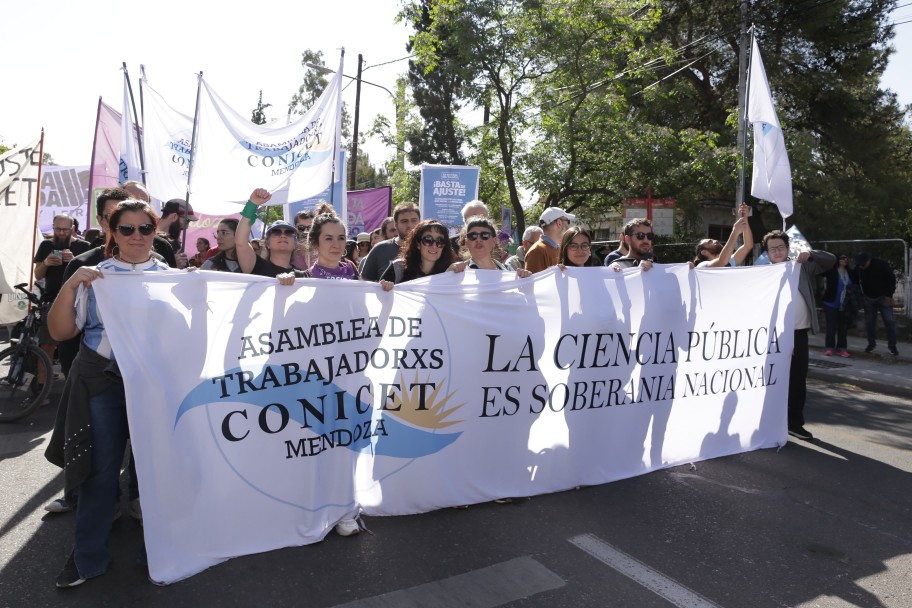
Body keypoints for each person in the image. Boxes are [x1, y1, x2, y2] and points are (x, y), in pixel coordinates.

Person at [45, 200, 174, 588]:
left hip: (155, 386)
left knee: (156, 474)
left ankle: (161, 555)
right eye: (127, 229)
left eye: (145, 229)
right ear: (112, 233)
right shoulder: (94, 276)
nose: (137, 236)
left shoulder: (175, 279)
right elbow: (60, 333)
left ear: (156, 232)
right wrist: (70, 284)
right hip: (103, 382)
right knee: (100, 474)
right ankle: (87, 557)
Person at [763, 230, 835, 441]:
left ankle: (794, 423)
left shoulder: (800, 266)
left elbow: (830, 261)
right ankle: (768, 421)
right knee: (772, 380)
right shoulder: (761, 272)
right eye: (772, 249)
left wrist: (809, 254)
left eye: (781, 247)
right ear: (766, 252)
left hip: (799, 334)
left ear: (788, 248)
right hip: (774, 337)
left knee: (797, 380)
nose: (777, 252)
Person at [33, 214, 91, 387]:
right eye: (58, 229)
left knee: (79, 348)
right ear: (53, 227)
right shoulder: (46, 245)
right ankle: (42, 388)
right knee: (47, 345)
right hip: (51, 301)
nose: (61, 233)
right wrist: (46, 263)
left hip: (78, 303)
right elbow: (37, 274)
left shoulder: (84, 246)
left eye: (65, 229)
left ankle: (76, 387)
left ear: (72, 229)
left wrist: (75, 261)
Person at [236, 189, 307, 278]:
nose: (283, 235)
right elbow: (241, 242)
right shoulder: (256, 266)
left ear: (295, 244)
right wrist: (253, 204)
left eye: (289, 232)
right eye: (276, 232)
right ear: (267, 244)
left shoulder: (303, 277)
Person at [293, 203, 360, 281]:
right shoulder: (301, 278)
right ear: (314, 242)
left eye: (341, 238)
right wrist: (284, 283)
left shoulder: (352, 271)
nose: (336, 245)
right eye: (329, 238)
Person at [449, 216, 532, 278]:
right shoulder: (457, 271)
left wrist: (525, 282)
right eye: (473, 236)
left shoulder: (508, 270)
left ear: (494, 241)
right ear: (466, 242)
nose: (478, 239)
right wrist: (450, 272)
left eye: (484, 235)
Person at [380, 219, 456, 284]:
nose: (434, 245)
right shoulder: (398, 268)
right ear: (418, 244)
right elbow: (378, 294)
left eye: (440, 241)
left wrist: (456, 272)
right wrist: (385, 288)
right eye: (428, 240)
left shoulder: (450, 272)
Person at [360, 202, 421, 281]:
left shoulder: (430, 249)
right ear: (396, 224)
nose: (409, 225)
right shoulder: (380, 249)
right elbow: (365, 282)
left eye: (414, 220)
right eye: (404, 221)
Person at [854, 252, 899, 356]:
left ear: (869, 260)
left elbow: (891, 279)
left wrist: (889, 295)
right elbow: (855, 280)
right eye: (859, 264)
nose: (861, 266)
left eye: (863, 264)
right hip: (868, 298)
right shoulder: (859, 268)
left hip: (884, 298)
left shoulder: (881, 264)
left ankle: (892, 347)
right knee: (869, 323)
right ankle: (871, 345)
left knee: (889, 321)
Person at [822, 254, 855, 357]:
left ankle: (842, 348)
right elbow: (820, 272)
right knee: (831, 327)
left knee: (843, 327)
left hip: (844, 305)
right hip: (831, 303)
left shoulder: (849, 272)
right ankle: (829, 348)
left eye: (846, 258)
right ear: (837, 260)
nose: (845, 260)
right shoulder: (832, 271)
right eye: (842, 258)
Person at [525, 207, 575, 273]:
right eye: (568, 221)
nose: (569, 226)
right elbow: (533, 282)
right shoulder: (537, 251)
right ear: (559, 223)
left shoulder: (558, 248)